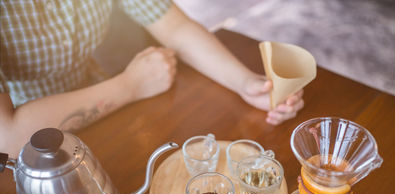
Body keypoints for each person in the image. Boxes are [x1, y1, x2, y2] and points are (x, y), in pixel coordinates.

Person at [0, 0, 304, 158]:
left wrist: (247, 84)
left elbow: (174, 28)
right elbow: (8, 139)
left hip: (106, 111)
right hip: (27, 159)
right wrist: (130, 86)